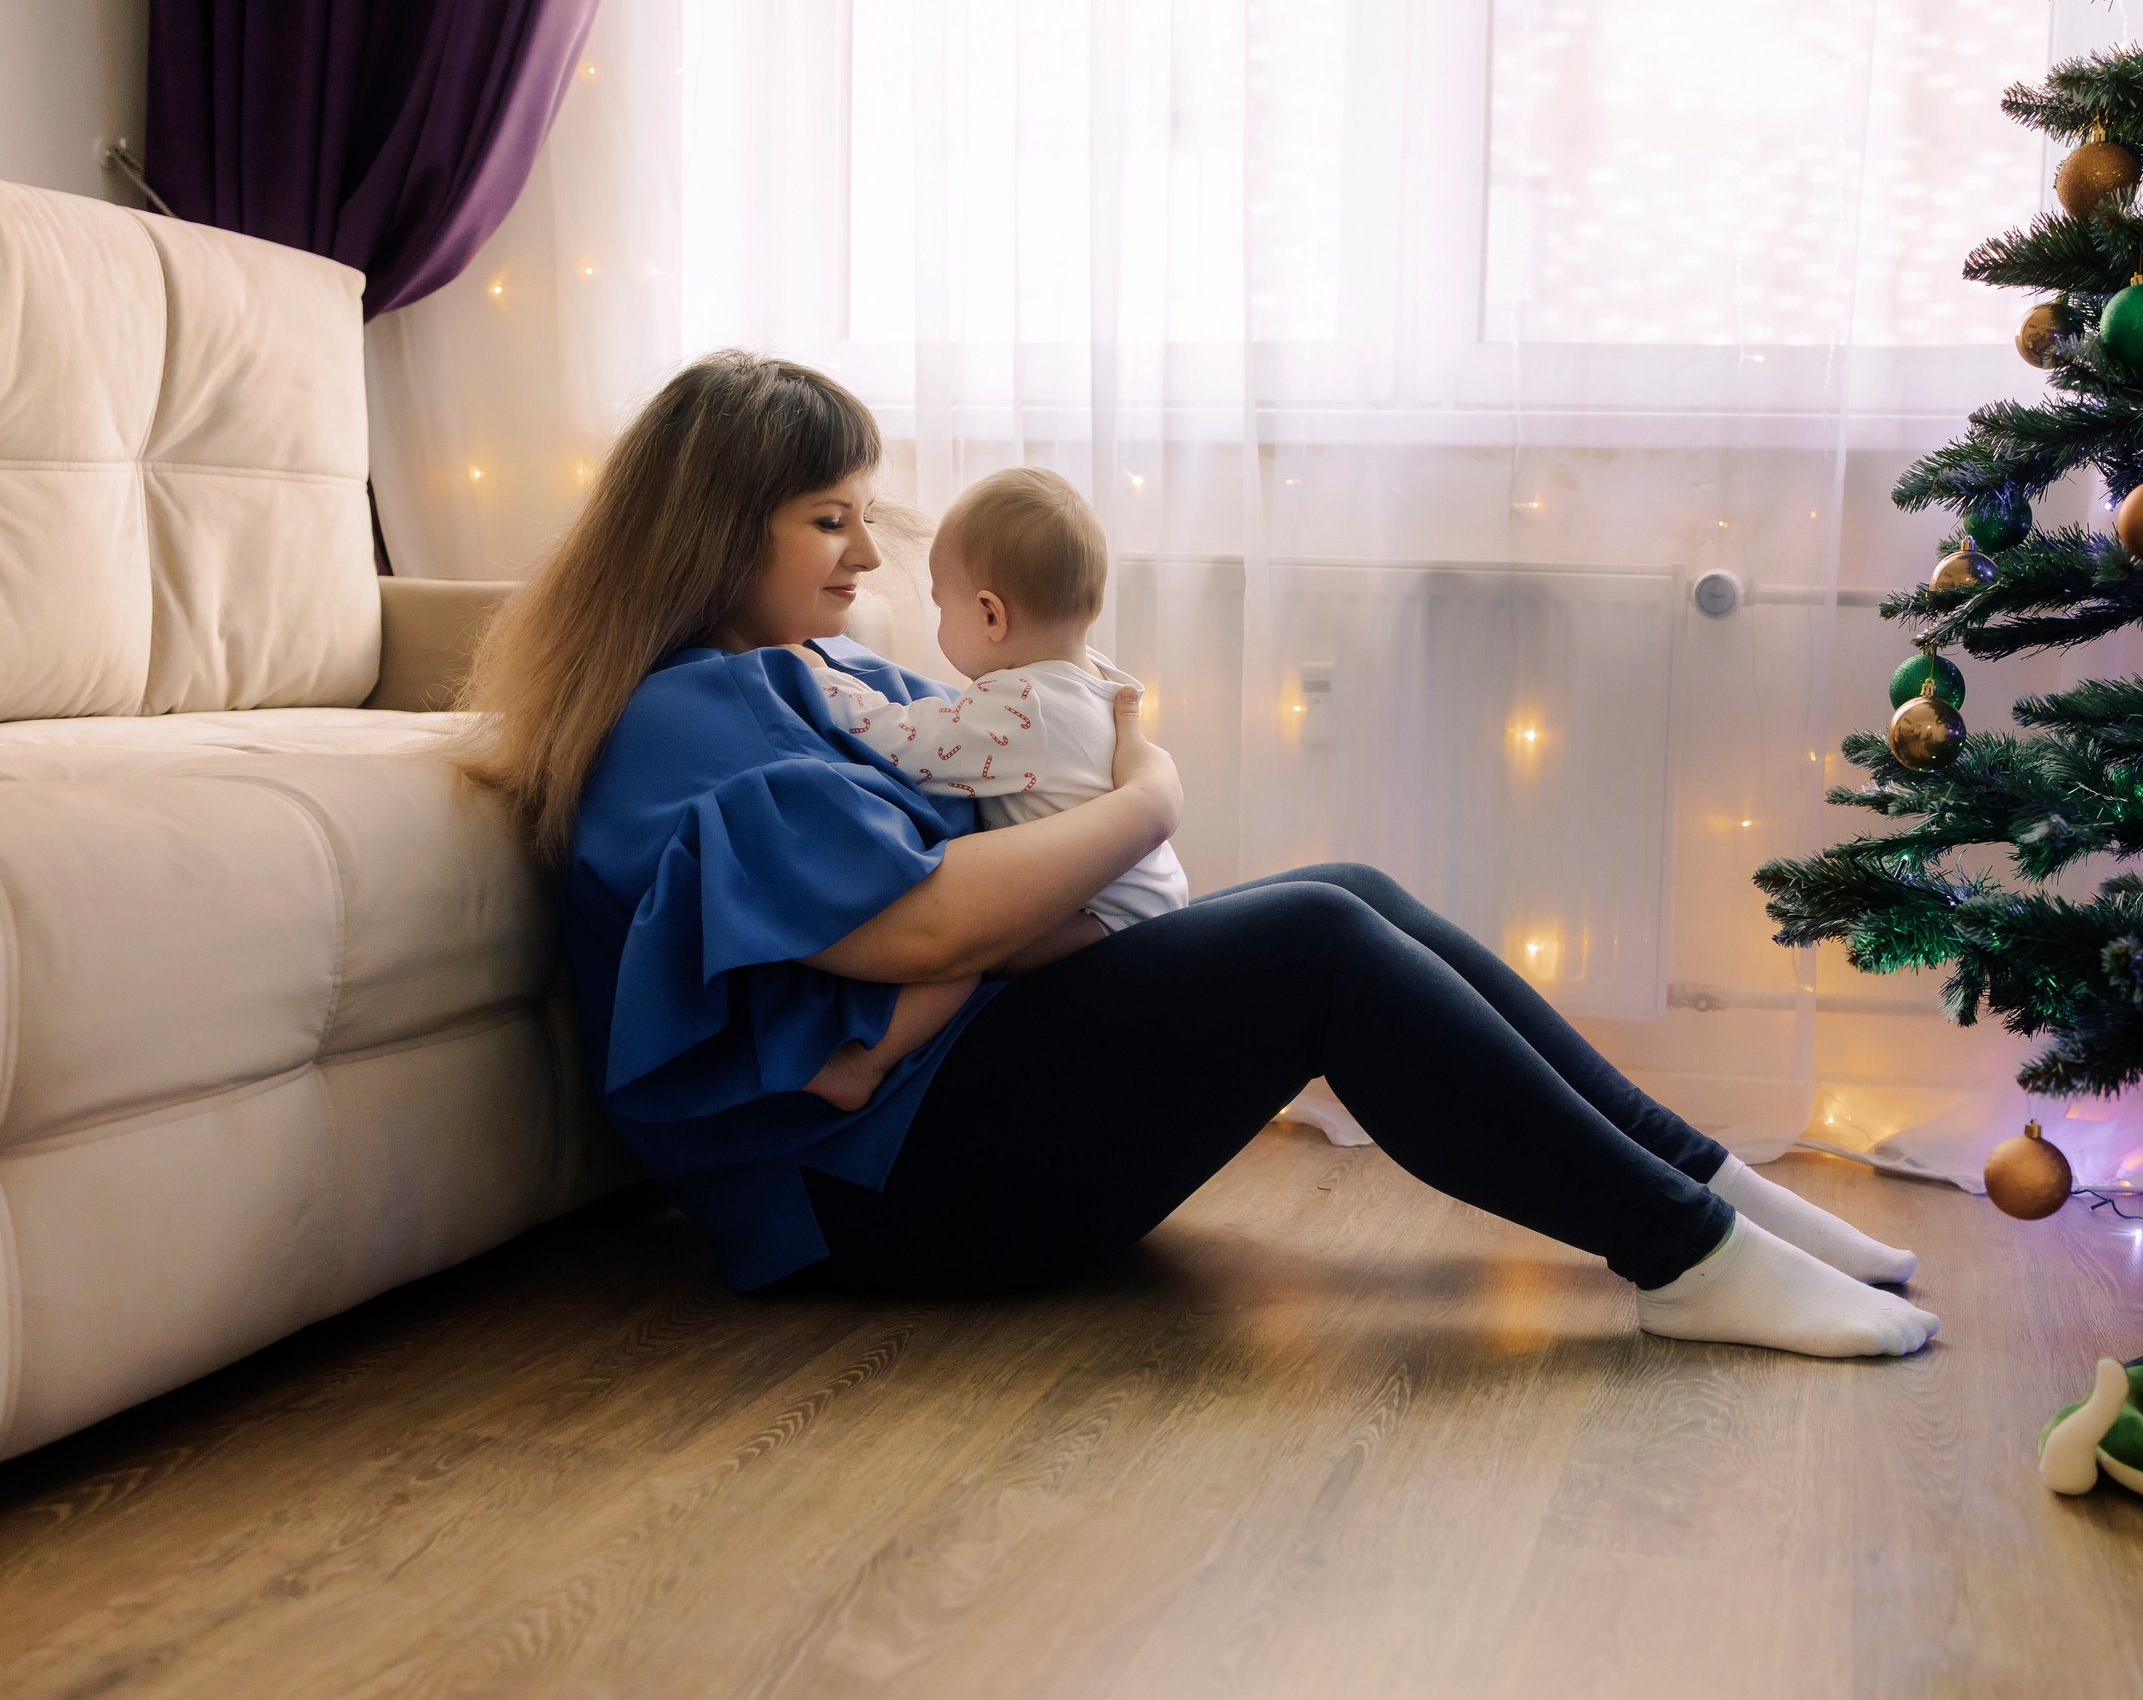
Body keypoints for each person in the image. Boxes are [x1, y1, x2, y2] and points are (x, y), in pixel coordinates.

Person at [454, 350, 1941, 1359]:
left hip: (941, 1115)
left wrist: (1021, 911)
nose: (864, 552)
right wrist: (1149, 798)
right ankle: (1685, 1253)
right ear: (718, 532)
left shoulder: (819, 676)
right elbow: (934, 923)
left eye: (862, 516)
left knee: (1344, 891)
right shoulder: (687, 717)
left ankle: (1703, 1183)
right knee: (1314, 944)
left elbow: (1004, 891)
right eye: (827, 519)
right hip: (876, 1199)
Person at [793, 464, 1188, 1112]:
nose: (939, 621)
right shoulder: (1093, 677)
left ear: (990, 613)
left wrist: (820, 678)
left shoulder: (1022, 707)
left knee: (969, 951)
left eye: (941, 605)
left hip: (1105, 920)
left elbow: (907, 741)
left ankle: (865, 1065)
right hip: (1148, 898)